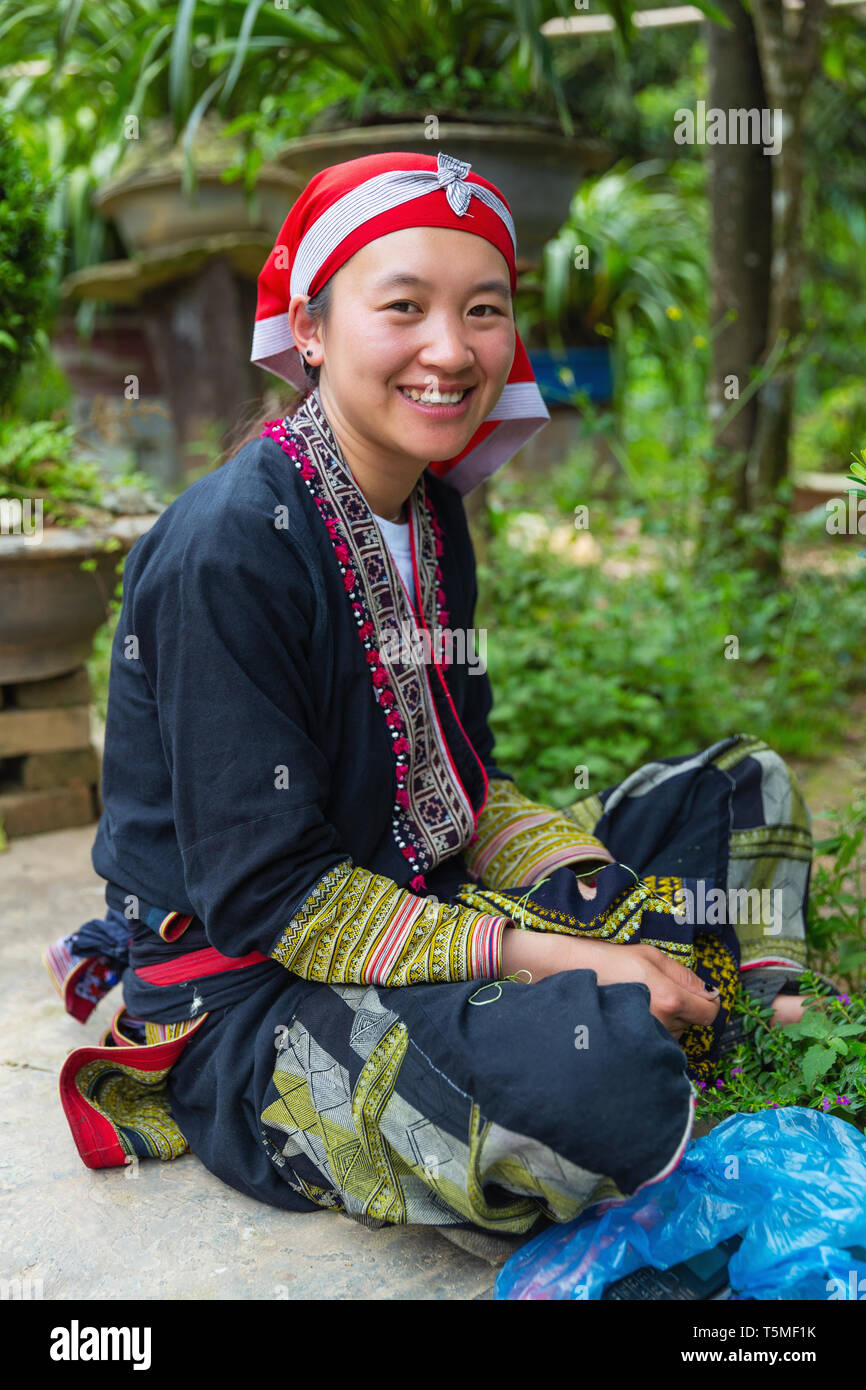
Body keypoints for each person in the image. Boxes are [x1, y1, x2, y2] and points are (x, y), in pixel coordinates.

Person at [45, 150, 823, 1252]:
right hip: (258, 1001)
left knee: (743, 786)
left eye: (483, 311)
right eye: (402, 306)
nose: (450, 351)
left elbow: (456, 786)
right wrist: (562, 953)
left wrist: (581, 884)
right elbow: (279, 901)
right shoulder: (228, 549)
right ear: (310, 329)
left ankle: (763, 1014)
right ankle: (674, 1038)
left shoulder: (430, 511)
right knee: (598, 1075)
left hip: (424, 896)